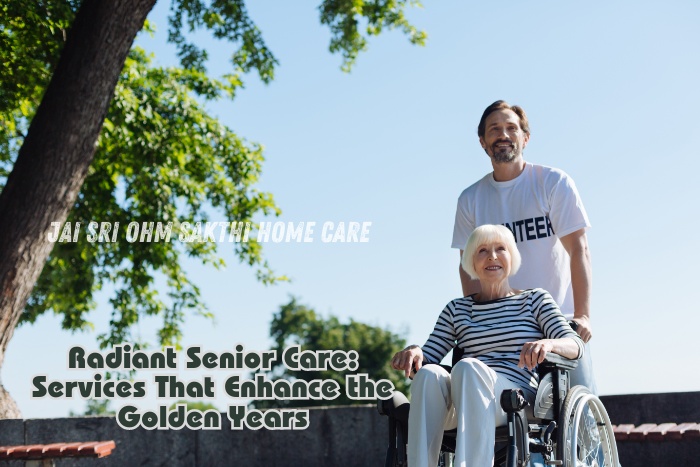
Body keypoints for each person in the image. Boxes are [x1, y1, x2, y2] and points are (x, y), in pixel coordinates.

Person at [391, 224, 584, 466]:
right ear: (471, 261)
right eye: (482, 250)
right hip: (462, 399)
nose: (492, 256)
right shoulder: (456, 310)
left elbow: (575, 346)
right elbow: (428, 357)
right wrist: (415, 352)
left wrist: (548, 344)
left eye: (500, 249)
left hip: (512, 399)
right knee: (429, 374)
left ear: (511, 256)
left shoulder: (535, 300)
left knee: (467, 368)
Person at [451, 100, 596, 393]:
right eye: (494, 129)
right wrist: (477, 319)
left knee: (585, 416)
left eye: (511, 128)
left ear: (525, 138)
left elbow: (578, 250)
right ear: (482, 141)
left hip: (559, 321)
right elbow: (468, 267)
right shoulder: (471, 199)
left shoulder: (552, 183)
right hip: (501, 327)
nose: (503, 134)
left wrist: (582, 314)